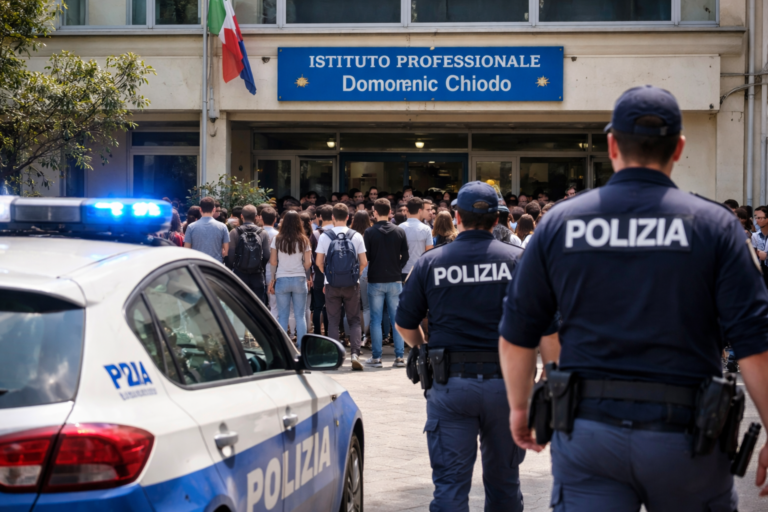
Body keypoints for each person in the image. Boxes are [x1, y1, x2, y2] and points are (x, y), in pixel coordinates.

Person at [499, 85, 768, 511]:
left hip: (589, 433)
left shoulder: (560, 223)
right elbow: (755, 345)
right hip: (688, 436)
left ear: (612, 146)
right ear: (678, 148)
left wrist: (519, 409)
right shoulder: (716, 226)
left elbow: (517, 333)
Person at [395, 181, 528, 512]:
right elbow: (544, 323)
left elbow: (404, 323)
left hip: (450, 384)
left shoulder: (430, 262)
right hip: (507, 386)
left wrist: (422, 349)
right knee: (505, 484)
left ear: (457, 217)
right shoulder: (519, 260)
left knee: (450, 486)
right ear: (497, 219)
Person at [315, 203, 368, 370]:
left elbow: (319, 262)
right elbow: (364, 262)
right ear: (348, 217)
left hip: (331, 284)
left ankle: (334, 356)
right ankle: (355, 354)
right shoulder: (356, 235)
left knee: (333, 321)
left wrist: (328, 276)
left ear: (332, 217)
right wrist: (355, 275)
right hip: (352, 284)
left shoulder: (325, 236)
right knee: (354, 320)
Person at [363, 199, 409, 368]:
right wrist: (398, 267)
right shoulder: (399, 231)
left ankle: (376, 358)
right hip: (395, 279)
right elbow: (406, 255)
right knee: (396, 318)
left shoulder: (369, 232)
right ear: (390, 212)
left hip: (375, 279)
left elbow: (366, 257)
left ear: (374, 212)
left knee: (375, 319)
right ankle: (399, 357)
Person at [268, 211, 312, 347]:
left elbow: (273, 261)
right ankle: (301, 346)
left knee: (283, 315)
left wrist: (273, 279)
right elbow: (308, 263)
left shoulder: (277, 239)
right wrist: (301, 268)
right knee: (300, 315)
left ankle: (283, 346)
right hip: (299, 279)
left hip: (282, 279)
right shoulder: (304, 240)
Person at [227, 204, 270, 302]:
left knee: (240, 304)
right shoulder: (263, 233)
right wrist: (259, 265)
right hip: (257, 275)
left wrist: (233, 267)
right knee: (258, 304)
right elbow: (267, 255)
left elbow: (231, 255)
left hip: (240, 274)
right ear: (256, 217)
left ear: (241, 216)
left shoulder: (234, 232)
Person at [310, 205, 333, 335]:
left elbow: (311, 256)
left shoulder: (315, 234)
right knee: (332, 306)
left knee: (318, 306)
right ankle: (331, 334)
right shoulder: (339, 232)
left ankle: (318, 334)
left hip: (318, 273)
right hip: (335, 274)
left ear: (320, 217)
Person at [184, 197, 229, 263]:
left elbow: (186, 250)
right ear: (214, 209)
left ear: (200, 209)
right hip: (216, 265)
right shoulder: (223, 227)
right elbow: (226, 252)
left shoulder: (191, 227)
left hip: (197, 265)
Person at [351, 210, 373, 344]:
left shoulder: (351, 234)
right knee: (367, 307)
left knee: (352, 306)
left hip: (352, 271)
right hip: (367, 270)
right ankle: (366, 336)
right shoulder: (370, 233)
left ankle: (351, 335)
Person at [399, 197, 434, 281]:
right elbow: (429, 252)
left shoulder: (400, 227)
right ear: (420, 210)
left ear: (407, 210)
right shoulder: (426, 229)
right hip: (420, 269)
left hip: (402, 270)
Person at [261, 206, 280, 319]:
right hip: (273, 270)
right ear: (275, 220)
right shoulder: (278, 235)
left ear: (261, 218)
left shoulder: (258, 232)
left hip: (257, 269)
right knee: (274, 305)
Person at [753, 206, 768, 290]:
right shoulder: (755, 235)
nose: (757, 220)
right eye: (756, 217)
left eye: (760, 218)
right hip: (761, 268)